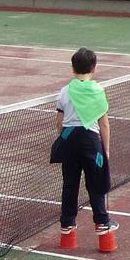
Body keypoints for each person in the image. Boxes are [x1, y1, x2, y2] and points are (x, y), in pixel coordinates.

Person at [52, 47, 115, 244]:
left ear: (72, 68)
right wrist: (105, 149)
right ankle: (103, 226)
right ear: (94, 68)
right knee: (96, 184)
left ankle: (67, 230)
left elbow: (59, 123)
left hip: (69, 139)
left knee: (70, 184)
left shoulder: (64, 92)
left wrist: (68, 141)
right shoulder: (98, 90)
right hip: (91, 141)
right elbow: (104, 123)